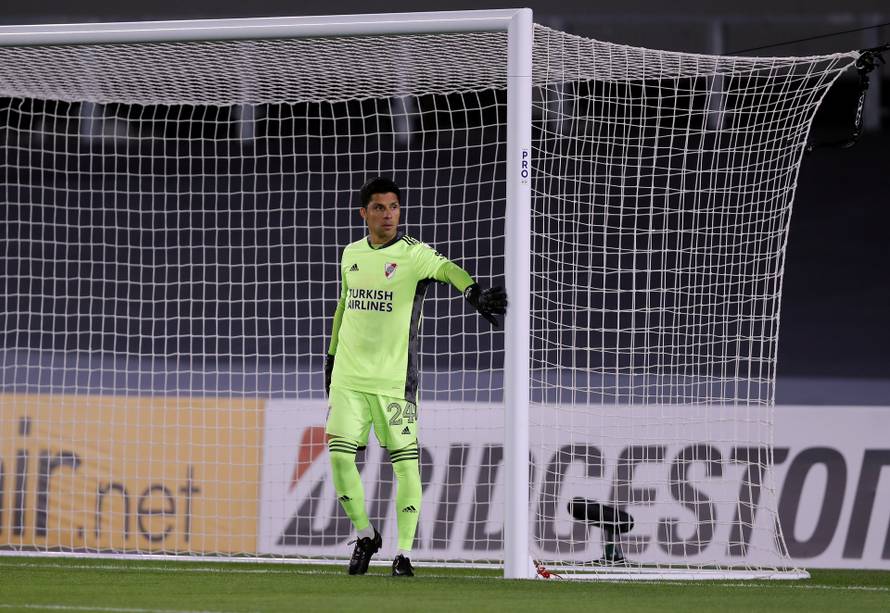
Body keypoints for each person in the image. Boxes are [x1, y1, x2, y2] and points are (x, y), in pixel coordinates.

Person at [324, 177, 507, 577]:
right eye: (379, 208)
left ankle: (403, 554)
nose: (388, 214)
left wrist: (473, 291)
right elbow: (344, 305)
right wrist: (332, 356)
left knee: (405, 464)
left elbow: (447, 269)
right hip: (349, 377)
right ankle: (365, 535)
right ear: (364, 213)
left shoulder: (413, 254)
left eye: (393, 207)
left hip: (394, 381)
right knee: (340, 459)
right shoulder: (350, 253)